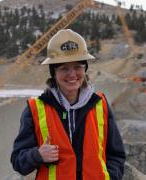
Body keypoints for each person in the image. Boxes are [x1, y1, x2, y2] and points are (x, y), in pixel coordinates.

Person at [11, 29, 126, 180]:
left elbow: (116, 154)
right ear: (53, 72)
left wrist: (111, 177)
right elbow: (18, 161)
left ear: (85, 69)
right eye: (64, 68)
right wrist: (37, 155)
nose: (72, 75)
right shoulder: (35, 109)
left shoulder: (100, 104)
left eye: (78, 67)